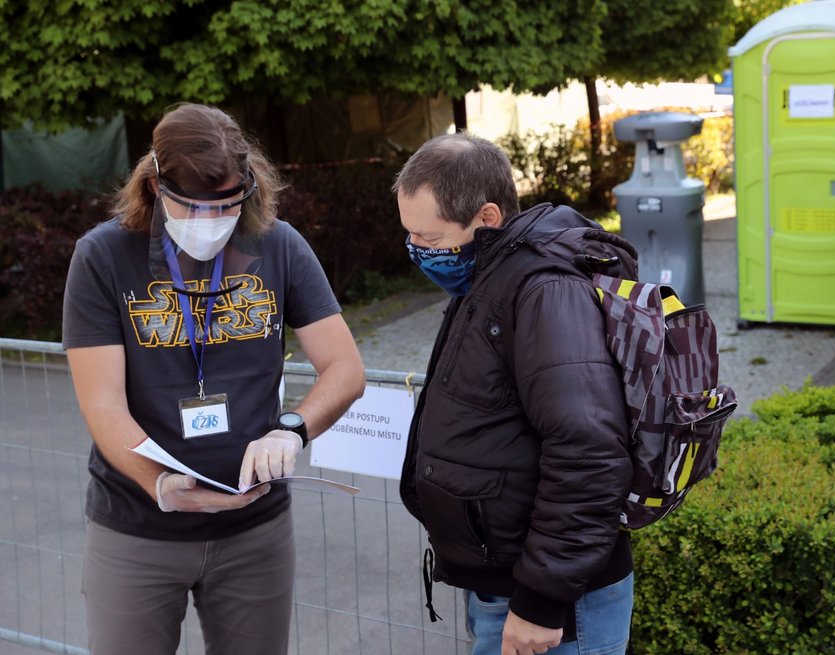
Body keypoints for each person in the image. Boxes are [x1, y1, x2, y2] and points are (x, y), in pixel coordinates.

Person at [63, 103, 365, 655]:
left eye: (229, 203)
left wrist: (291, 430)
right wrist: (158, 483)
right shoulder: (103, 256)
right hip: (137, 530)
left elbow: (345, 370)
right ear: (156, 186)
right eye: (195, 206)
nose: (213, 221)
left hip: (255, 531)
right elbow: (102, 403)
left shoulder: (278, 245)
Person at [394, 133, 635, 655]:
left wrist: (542, 599)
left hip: (555, 604)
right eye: (409, 235)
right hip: (507, 583)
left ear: (487, 218)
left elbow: (588, 448)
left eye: (430, 239)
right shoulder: (488, 276)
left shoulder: (543, 288)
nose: (417, 251)